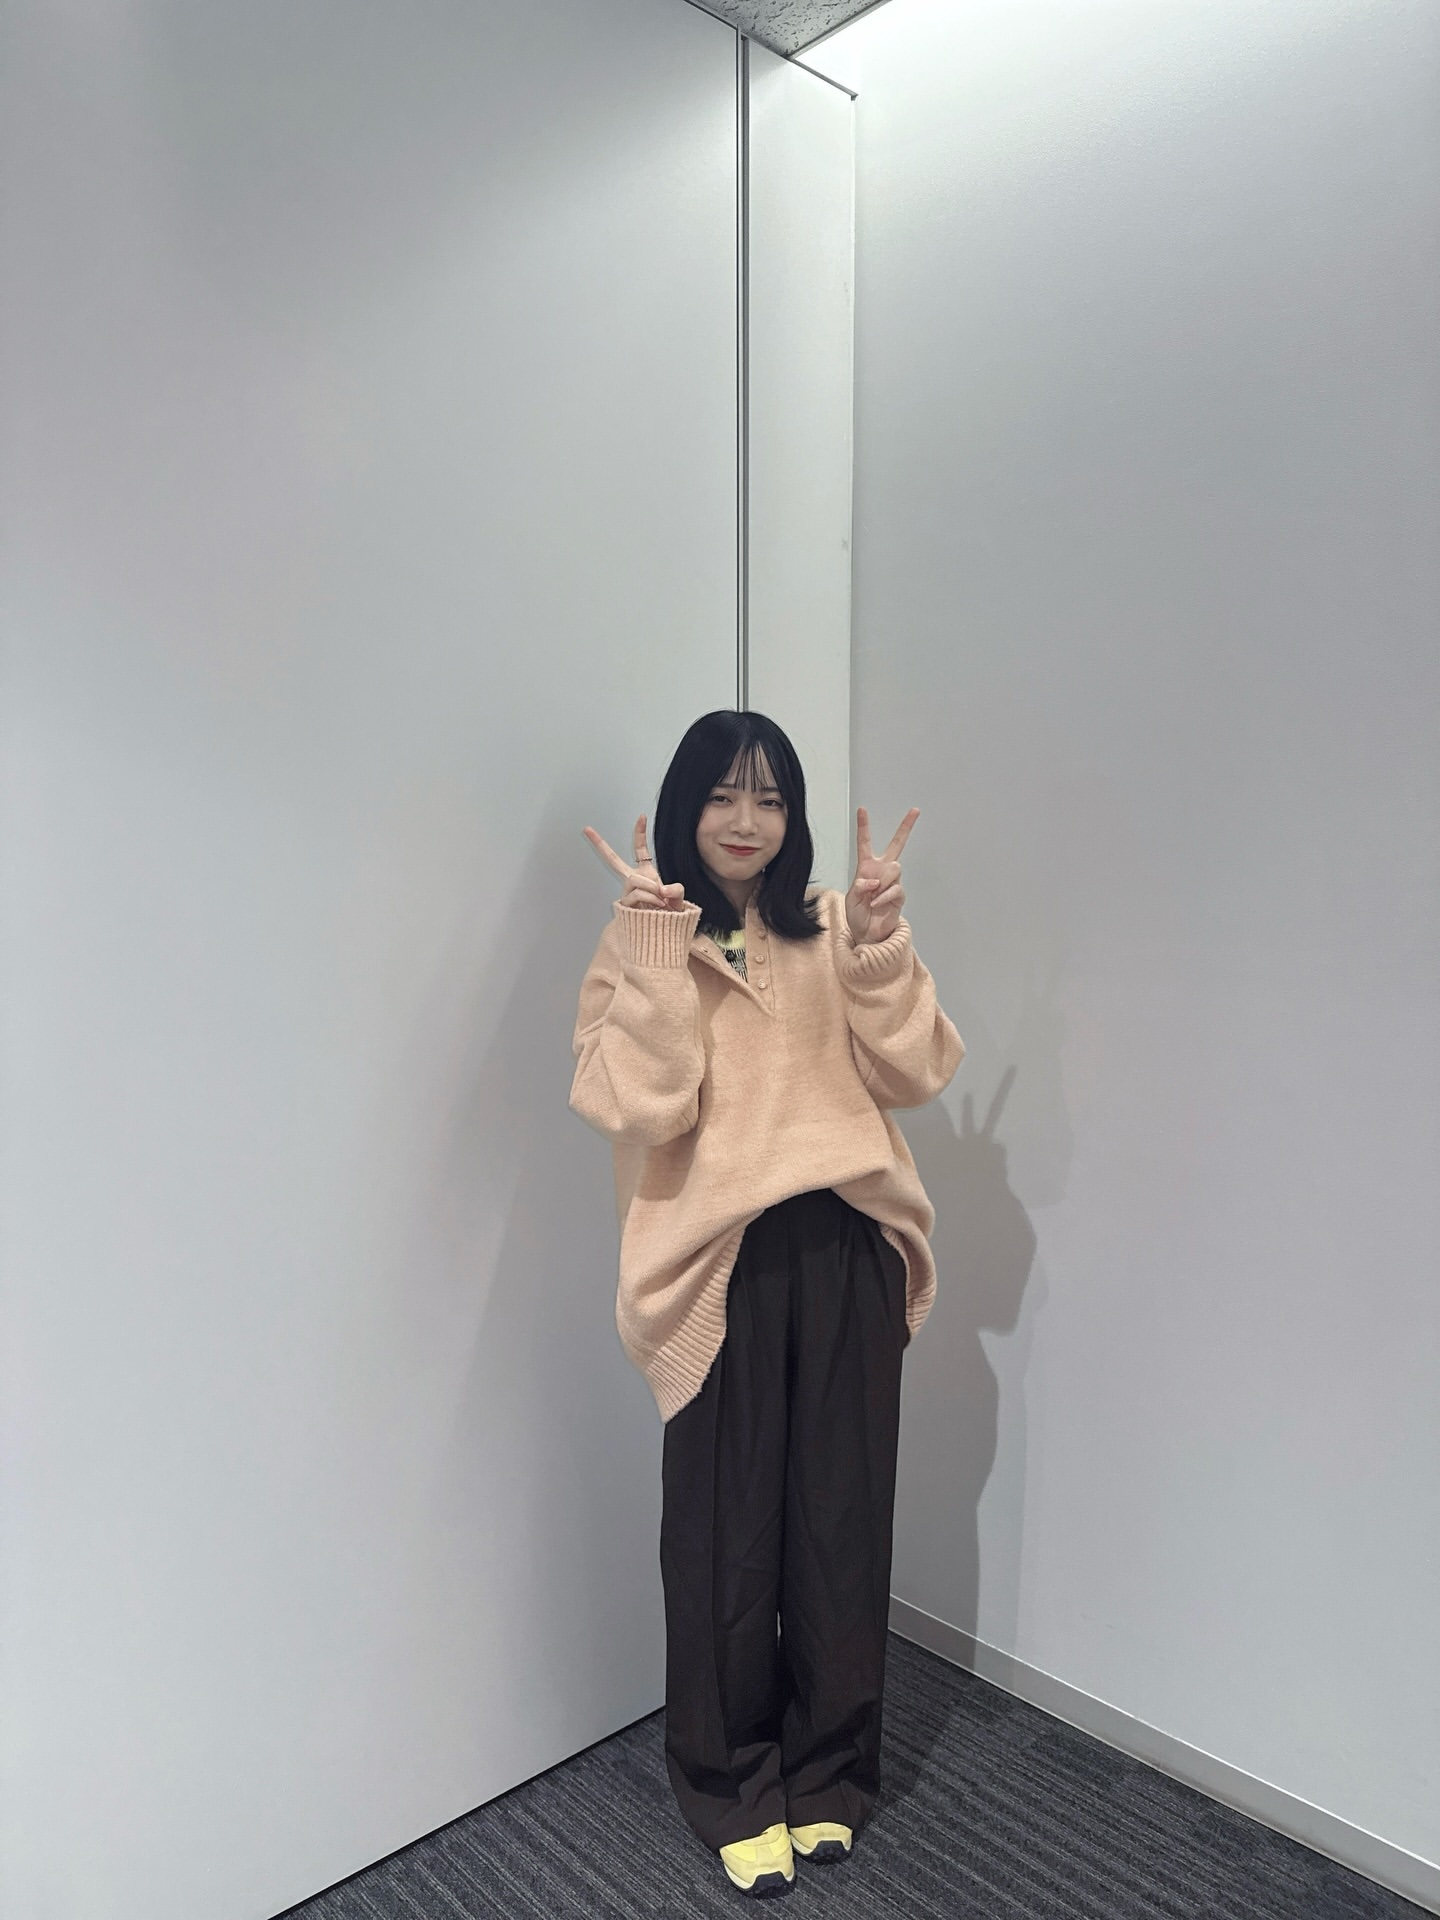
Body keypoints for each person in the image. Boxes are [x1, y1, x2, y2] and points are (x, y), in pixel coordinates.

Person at [570, 709, 964, 1898]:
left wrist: (882, 951)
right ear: (684, 806)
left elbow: (917, 1071)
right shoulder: (639, 941)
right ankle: (731, 1781)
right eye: (722, 795)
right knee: (723, 1542)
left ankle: (832, 1770)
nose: (747, 821)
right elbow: (639, 1108)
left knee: (841, 1527)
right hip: (717, 1265)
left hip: (845, 1247)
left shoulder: (833, 927)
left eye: (772, 798)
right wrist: (657, 955)